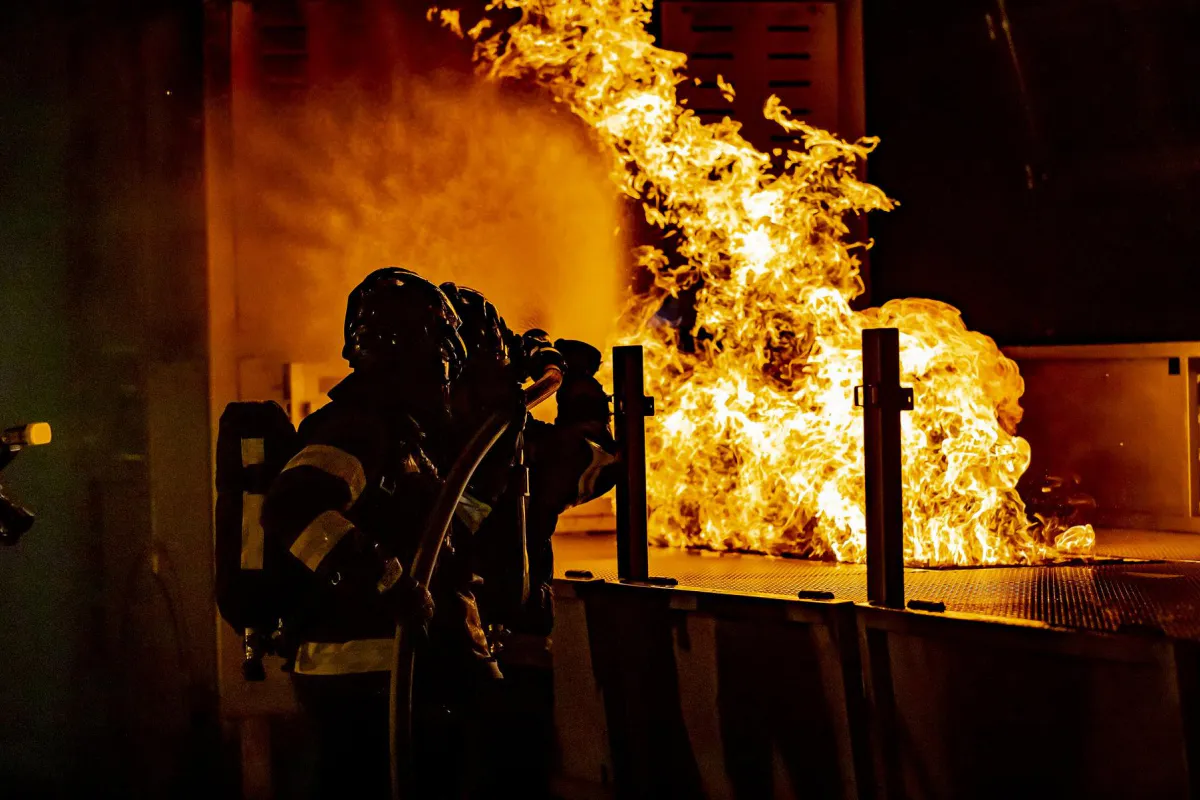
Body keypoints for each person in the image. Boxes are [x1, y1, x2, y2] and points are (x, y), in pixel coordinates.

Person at [261, 267, 525, 799]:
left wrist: (497, 453)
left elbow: (449, 531)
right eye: (445, 355)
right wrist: (387, 580)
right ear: (424, 351)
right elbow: (293, 507)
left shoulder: (402, 438)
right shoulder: (358, 428)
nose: (448, 372)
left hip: (405, 676)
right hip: (371, 680)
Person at [440, 283, 620, 797]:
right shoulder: (512, 444)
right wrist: (579, 385)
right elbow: (595, 463)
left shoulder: (414, 436)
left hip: (442, 650)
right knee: (509, 772)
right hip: (508, 649)